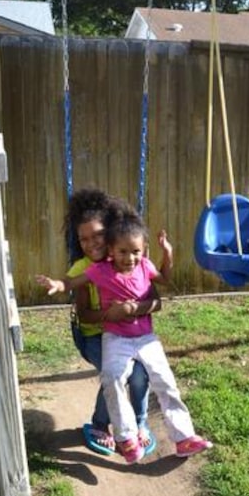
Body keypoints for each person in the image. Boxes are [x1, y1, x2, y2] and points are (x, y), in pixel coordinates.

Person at [37, 201, 213, 464]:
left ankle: (183, 436)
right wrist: (58, 284)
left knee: (164, 381)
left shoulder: (142, 264)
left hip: (145, 338)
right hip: (109, 337)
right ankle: (125, 436)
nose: (129, 257)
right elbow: (73, 283)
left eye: (135, 251)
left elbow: (162, 287)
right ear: (113, 248)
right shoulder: (98, 270)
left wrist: (168, 255)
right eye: (84, 239)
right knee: (114, 378)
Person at [64, 188, 156, 456]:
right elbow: (84, 315)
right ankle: (100, 424)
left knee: (140, 375)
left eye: (98, 235)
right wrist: (109, 315)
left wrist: (135, 307)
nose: (91, 243)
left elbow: (155, 301)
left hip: (129, 333)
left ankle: (139, 424)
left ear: (112, 232)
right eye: (84, 239)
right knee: (117, 371)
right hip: (94, 334)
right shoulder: (83, 270)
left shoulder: (129, 261)